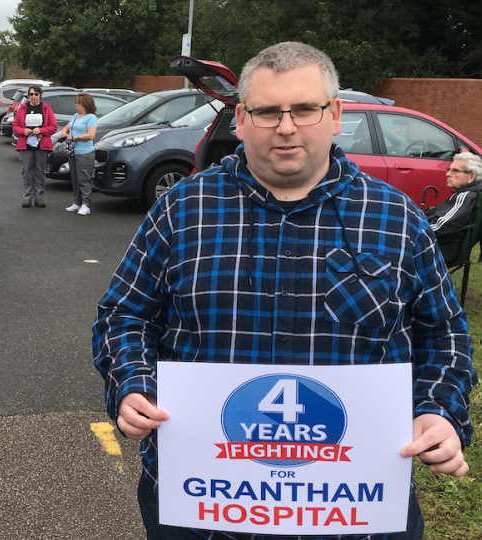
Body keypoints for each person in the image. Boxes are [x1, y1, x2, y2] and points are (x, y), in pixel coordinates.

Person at [93, 42, 476, 540]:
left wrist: (437, 409)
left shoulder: (396, 219)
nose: (287, 126)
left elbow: (443, 332)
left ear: (335, 115)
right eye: (267, 111)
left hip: (355, 511)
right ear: (240, 121)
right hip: (202, 504)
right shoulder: (182, 210)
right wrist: (133, 384)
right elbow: (124, 315)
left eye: (305, 109)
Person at [425, 152, 482, 265]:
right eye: (449, 169)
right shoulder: (467, 193)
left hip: (437, 250)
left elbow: (440, 226)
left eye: (455, 171)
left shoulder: (467, 196)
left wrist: (413, 227)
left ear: (471, 176)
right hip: (435, 245)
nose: (448, 174)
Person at [12, 85, 58, 208]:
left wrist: (41, 130)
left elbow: (53, 127)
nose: (33, 97)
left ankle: (39, 197)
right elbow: (15, 126)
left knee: (39, 172)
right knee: (26, 171)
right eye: (31, 94)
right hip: (25, 145)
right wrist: (23, 131)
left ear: (40, 95)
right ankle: (27, 197)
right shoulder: (22, 108)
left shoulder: (46, 109)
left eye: (36, 94)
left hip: (41, 145)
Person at [60, 92, 97, 216]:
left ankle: (86, 204)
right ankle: (77, 202)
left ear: (85, 104)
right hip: (73, 152)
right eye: (76, 103)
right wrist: (64, 132)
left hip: (85, 153)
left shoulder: (91, 117)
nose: (76, 105)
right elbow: (67, 127)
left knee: (84, 179)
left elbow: (91, 135)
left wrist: (75, 138)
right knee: (75, 178)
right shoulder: (76, 116)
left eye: (78, 103)